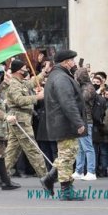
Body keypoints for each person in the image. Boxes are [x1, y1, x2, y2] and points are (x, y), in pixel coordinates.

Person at [41, 50, 86, 201]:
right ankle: (66, 191)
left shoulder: (58, 75)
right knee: (67, 157)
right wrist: (78, 122)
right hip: (64, 123)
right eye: (72, 60)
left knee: (67, 154)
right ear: (65, 62)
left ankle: (49, 178)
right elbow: (67, 102)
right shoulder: (61, 78)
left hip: (62, 123)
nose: (74, 63)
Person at [4, 59, 48, 180]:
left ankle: (4, 178)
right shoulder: (13, 84)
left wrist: (43, 72)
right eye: (24, 69)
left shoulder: (20, 82)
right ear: (19, 71)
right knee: (32, 147)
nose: (26, 71)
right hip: (20, 120)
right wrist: (37, 97)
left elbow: (31, 83)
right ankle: (45, 176)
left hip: (20, 119)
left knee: (12, 151)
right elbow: (19, 100)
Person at [72, 68, 97, 181]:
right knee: (79, 148)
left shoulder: (89, 87)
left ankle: (91, 171)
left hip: (87, 120)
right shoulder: (82, 87)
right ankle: (79, 170)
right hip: (79, 119)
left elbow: (82, 99)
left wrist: (75, 85)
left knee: (88, 147)